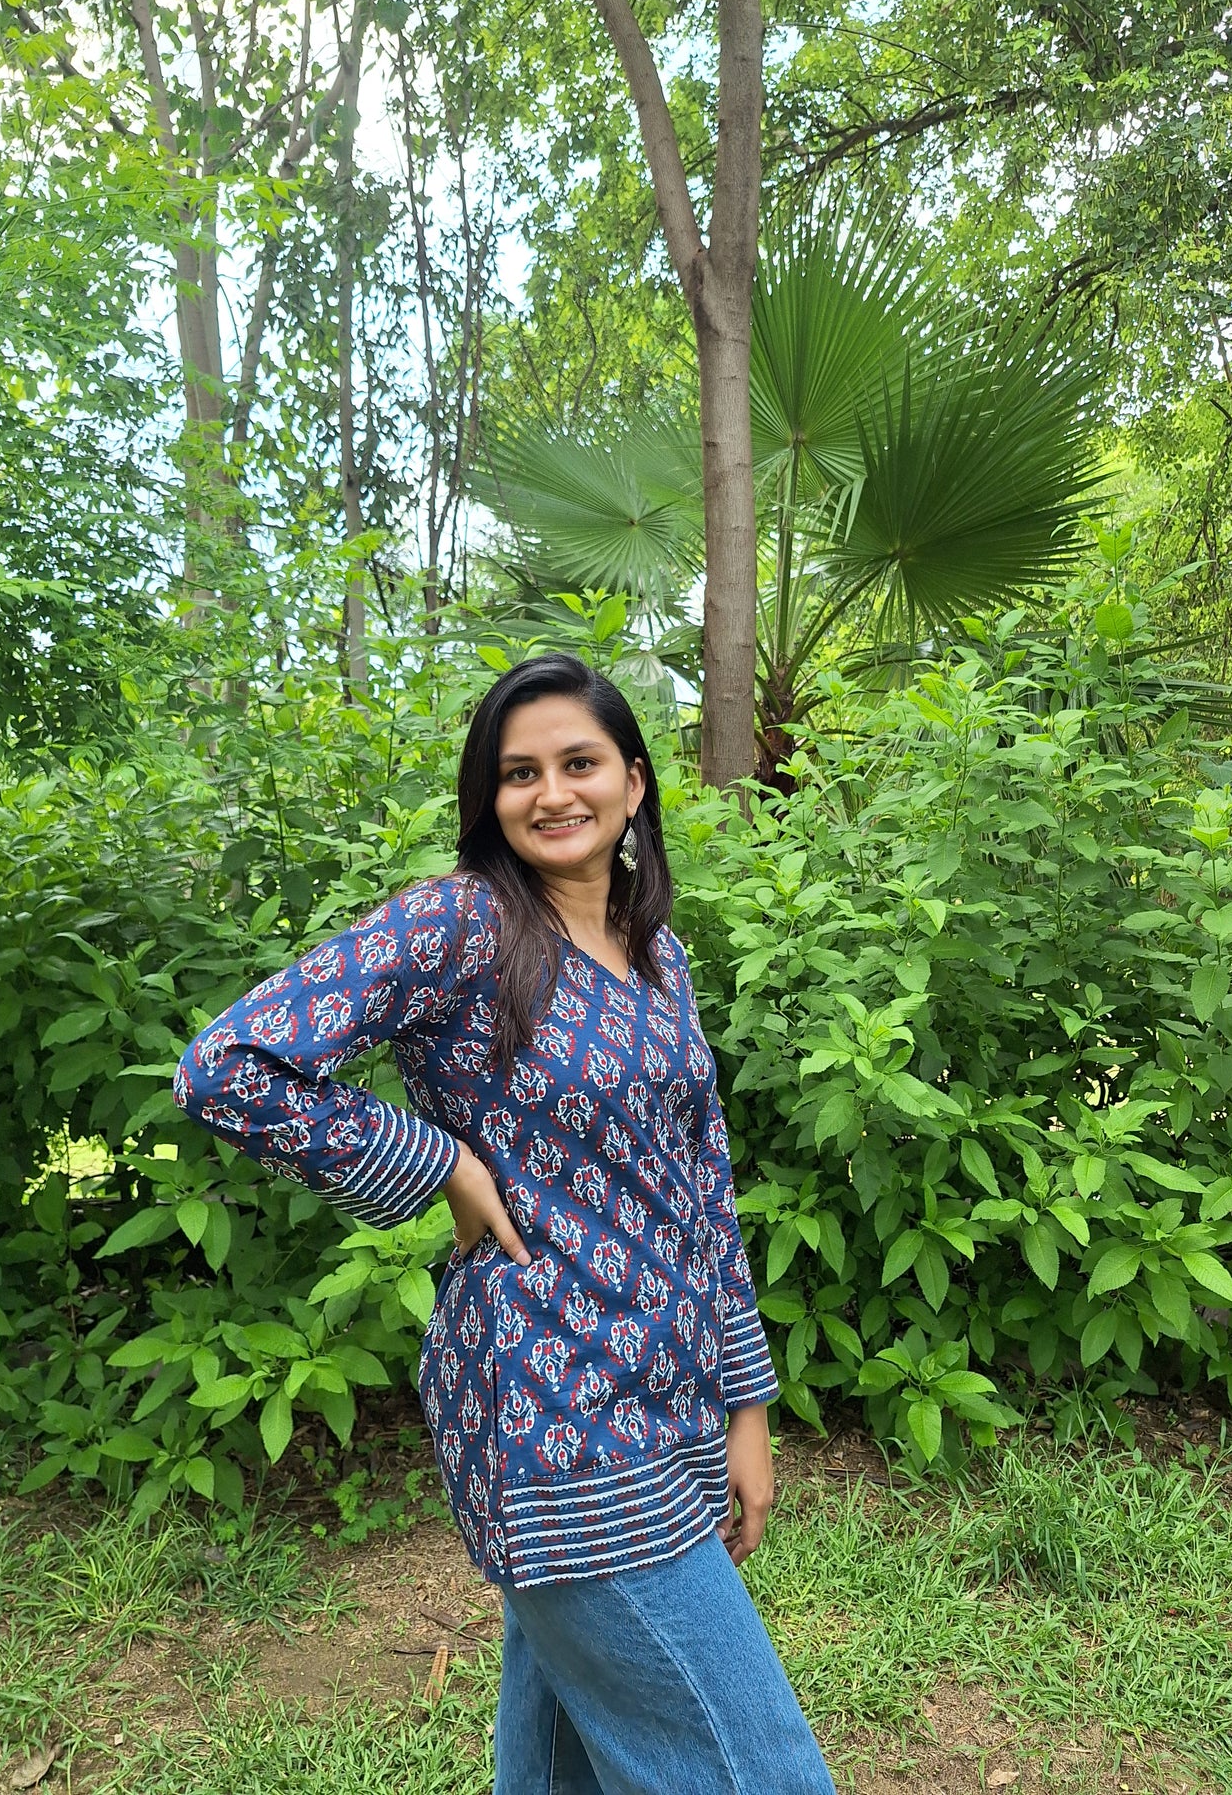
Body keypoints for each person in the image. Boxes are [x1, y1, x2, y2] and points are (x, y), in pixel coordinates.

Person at [174, 651, 834, 1795]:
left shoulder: (657, 952)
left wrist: (745, 1405)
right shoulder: (461, 925)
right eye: (518, 772)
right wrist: (435, 1160)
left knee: (561, 1765)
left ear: (633, 780)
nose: (552, 792)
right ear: (490, 797)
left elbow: (704, 1185)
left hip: (671, 1399)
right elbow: (225, 1066)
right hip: (553, 1416)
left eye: (579, 762)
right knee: (758, 1774)